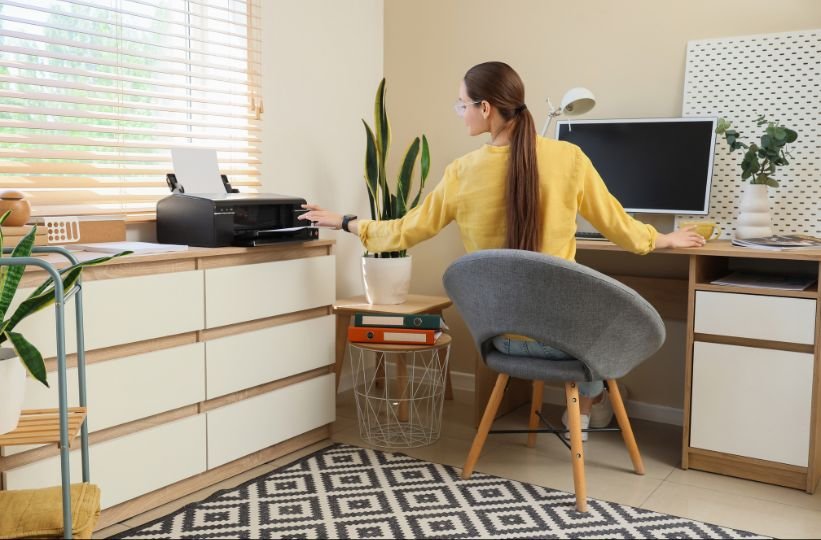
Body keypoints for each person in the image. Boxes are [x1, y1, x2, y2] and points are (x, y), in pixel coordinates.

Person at [298, 61, 705, 439]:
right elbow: (623, 231)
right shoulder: (569, 159)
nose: (460, 112)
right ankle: (588, 399)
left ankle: (587, 402)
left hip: (499, 342)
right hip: (562, 341)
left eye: (462, 105)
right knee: (597, 318)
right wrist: (666, 239)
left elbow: (405, 231)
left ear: (486, 108)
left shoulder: (462, 171)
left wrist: (347, 221)